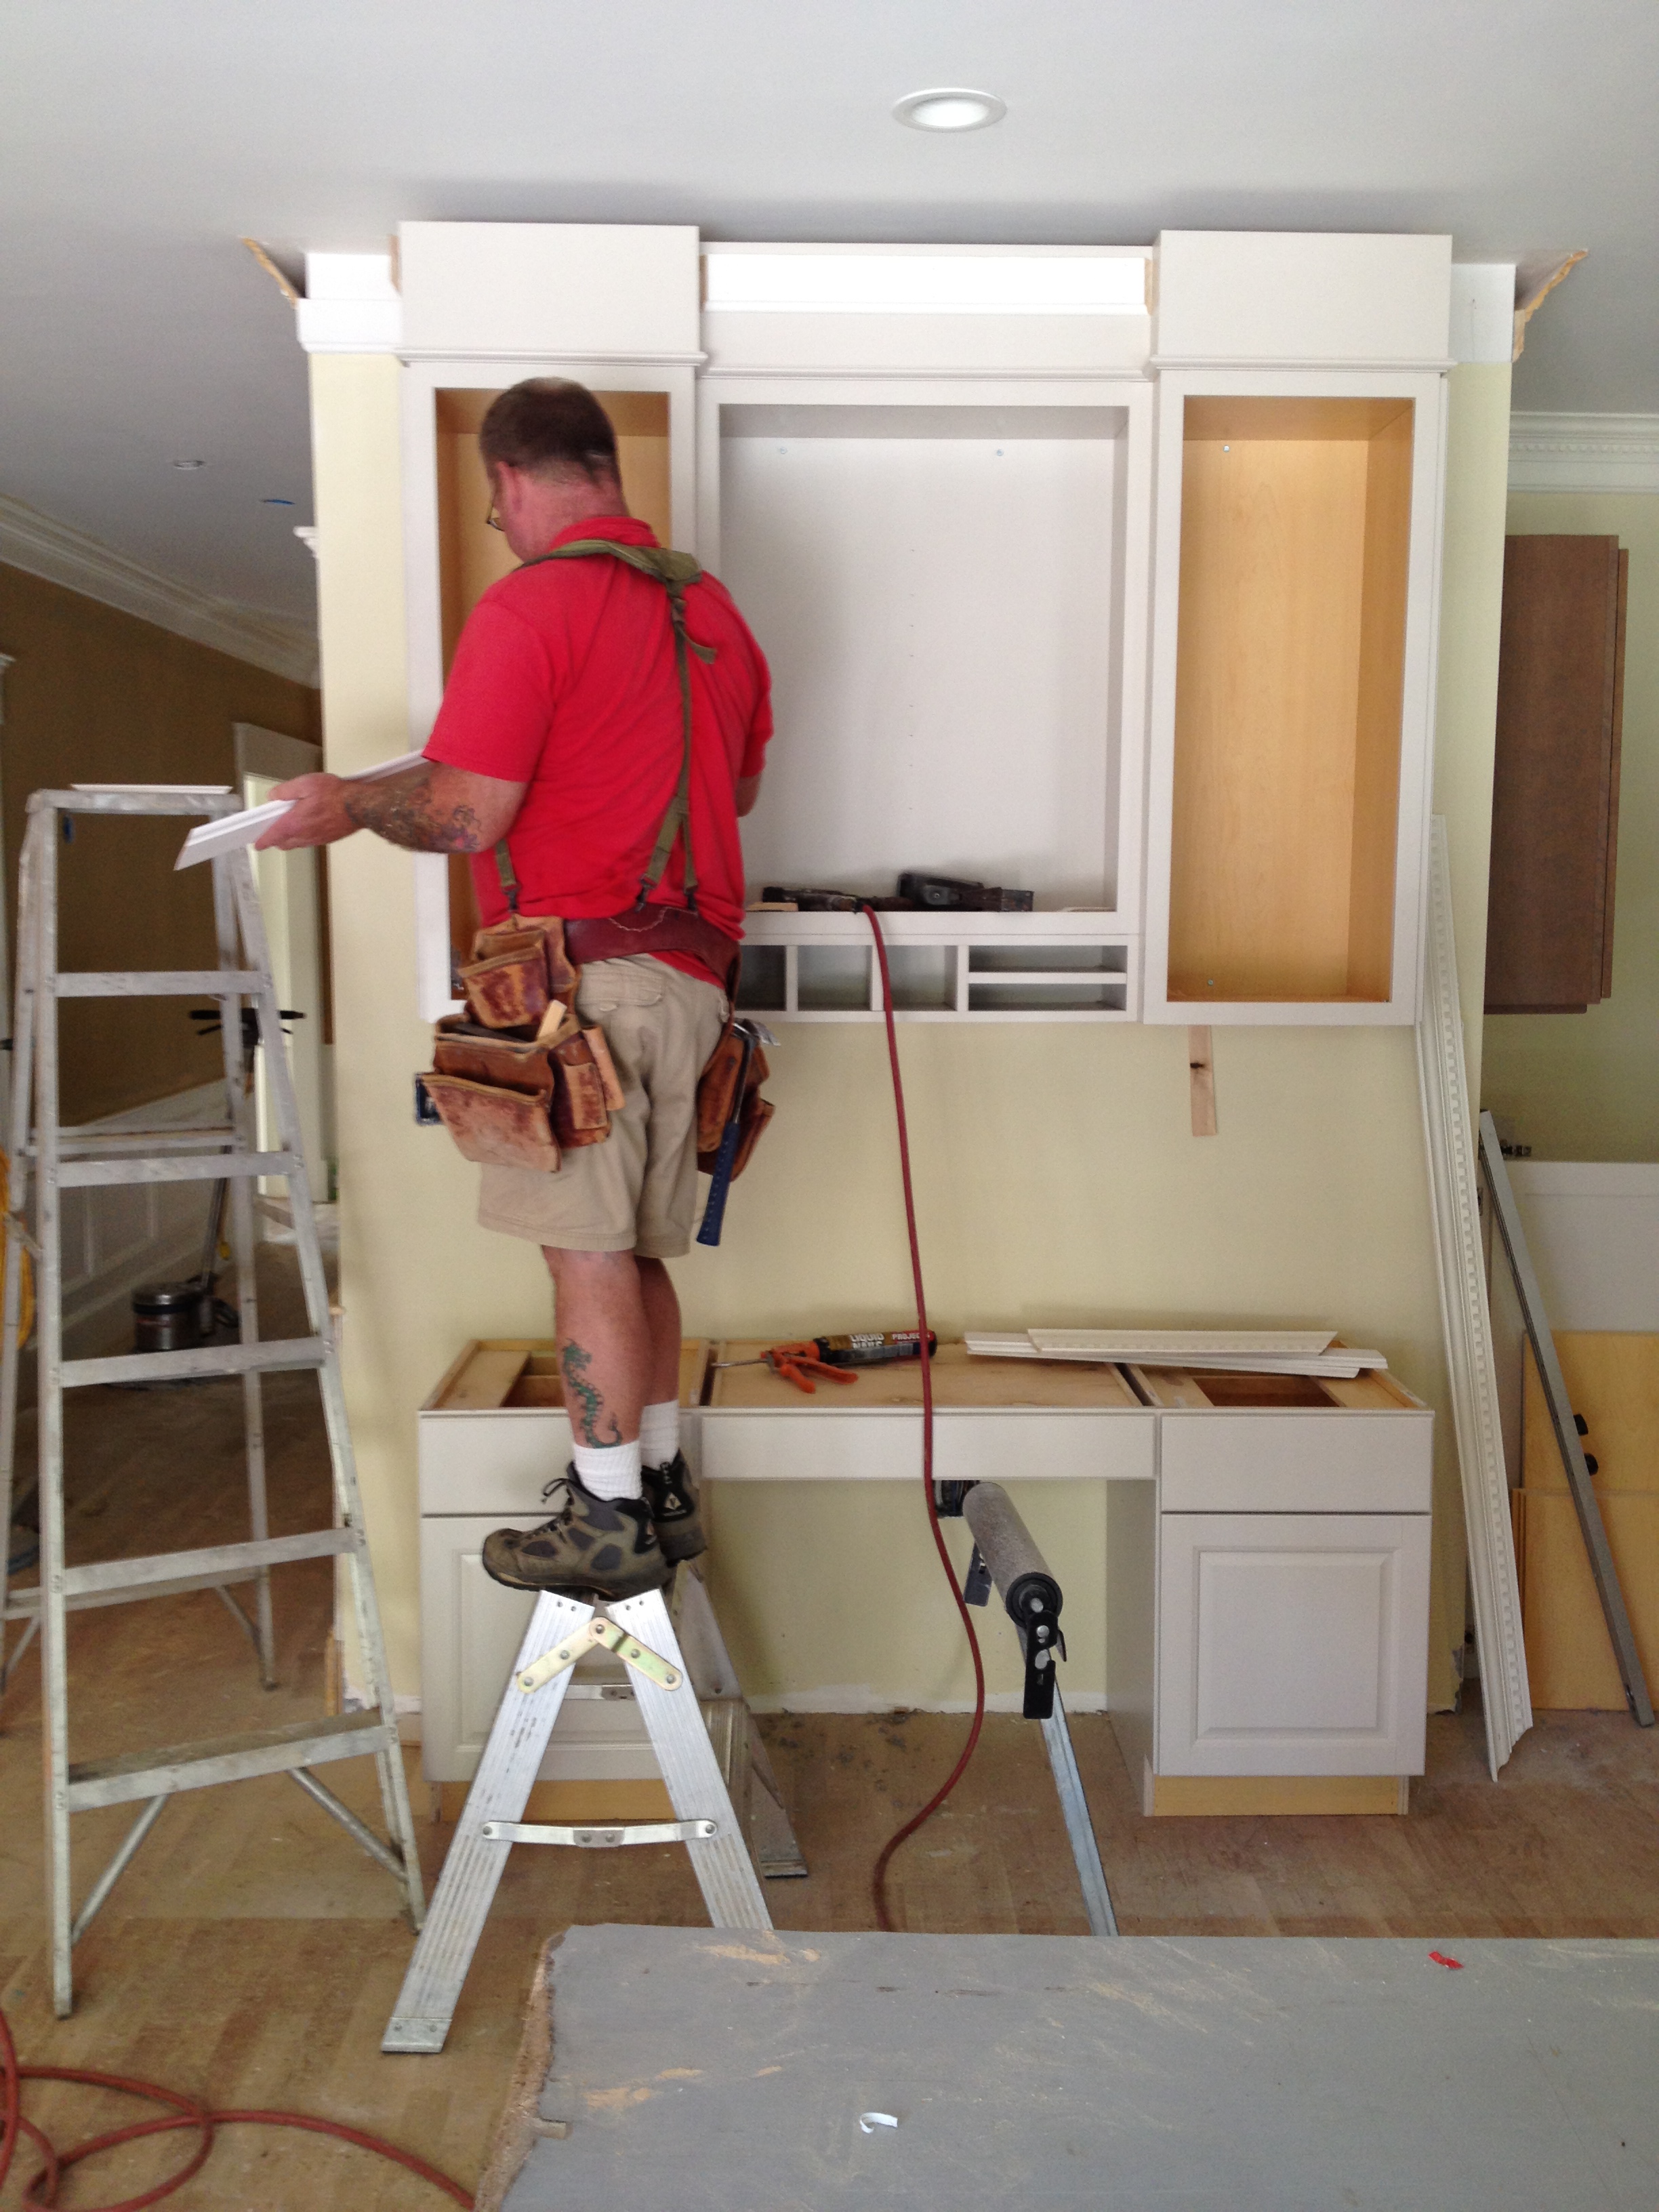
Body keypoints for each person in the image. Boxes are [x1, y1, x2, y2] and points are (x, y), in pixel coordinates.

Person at [260, 377, 771, 1603]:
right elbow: (733, 798)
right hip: (692, 983)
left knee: (581, 1252)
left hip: (591, 984)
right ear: (607, 473)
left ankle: (604, 1523)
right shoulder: (719, 616)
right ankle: (652, 1491)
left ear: (513, 483)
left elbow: (463, 810)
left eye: (498, 508)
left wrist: (346, 805)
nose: (503, 527)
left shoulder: (534, 604)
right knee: (637, 1253)